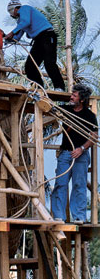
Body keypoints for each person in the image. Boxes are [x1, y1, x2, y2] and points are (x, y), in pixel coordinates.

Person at [51, 83, 98, 222]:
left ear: (82, 100)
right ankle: (59, 216)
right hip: (66, 153)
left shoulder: (89, 116)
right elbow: (50, 107)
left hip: (81, 154)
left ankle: (79, 217)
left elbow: (94, 136)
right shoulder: (65, 110)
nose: (71, 97)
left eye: (74, 95)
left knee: (79, 185)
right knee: (60, 183)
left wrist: (82, 149)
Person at [4, 0, 66, 90]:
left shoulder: (24, 9)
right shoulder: (21, 22)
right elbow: (18, 36)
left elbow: (26, 22)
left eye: (11, 11)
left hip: (47, 35)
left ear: (15, 8)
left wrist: (12, 33)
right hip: (38, 40)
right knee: (30, 66)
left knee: (49, 63)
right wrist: (6, 38)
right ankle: (39, 87)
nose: (11, 14)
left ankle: (59, 86)